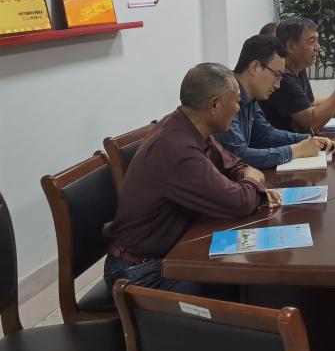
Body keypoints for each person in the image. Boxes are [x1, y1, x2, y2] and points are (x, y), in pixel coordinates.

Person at [103, 63, 282, 294]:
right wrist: (253, 181)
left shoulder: (188, 125)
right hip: (140, 272)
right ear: (214, 105)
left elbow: (233, 164)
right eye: (237, 101)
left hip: (169, 251)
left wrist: (247, 177)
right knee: (234, 283)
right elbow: (238, 202)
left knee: (240, 272)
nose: (239, 109)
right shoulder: (177, 148)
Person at [215, 35, 335, 169]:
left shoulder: (251, 96)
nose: (278, 85)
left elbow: (265, 134)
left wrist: (308, 140)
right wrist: (295, 150)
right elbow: (237, 156)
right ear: (255, 67)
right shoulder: (225, 96)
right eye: (276, 75)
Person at [259, 17, 335, 132]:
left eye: (317, 41)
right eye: (312, 41)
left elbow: (309, 105)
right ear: (290, 46)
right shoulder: (282, 77)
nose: (318, 47)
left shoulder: (299, 67)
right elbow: (312, 123)